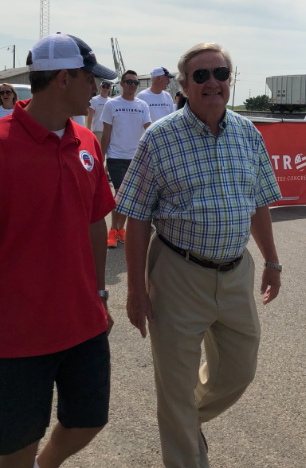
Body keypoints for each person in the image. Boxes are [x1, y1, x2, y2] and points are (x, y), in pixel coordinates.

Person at [0, 32, 117, 468]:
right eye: (90, 80)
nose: (96, 90)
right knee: (17, 445)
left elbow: (97, 222)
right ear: (63, 79)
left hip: (82, 321)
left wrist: (99, 293)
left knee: (89, 420)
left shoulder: (88, 143)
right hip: (15, 333)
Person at [116, 43, 282, 468]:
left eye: (220, 74)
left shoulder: (248, 133)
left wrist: (272, 261)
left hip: (235, 273)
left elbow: (259, 201)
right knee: (175, 386)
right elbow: (135, 218)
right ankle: (185, 443)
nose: (213, 83)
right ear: (185, 84)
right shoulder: (159, 137)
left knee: (239, 371)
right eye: (201, 76)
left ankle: (185, 422)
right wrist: (136, 290)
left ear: (231, 79)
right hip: (178, 273)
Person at [101, 70, 151, 248]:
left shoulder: (142, 105)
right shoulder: (111, 104)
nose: (133, 85)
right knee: (120, 195)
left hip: (135, 158)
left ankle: (121, 229)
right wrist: (101, 159)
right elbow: (106, 134)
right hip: (116, 156)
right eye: (129, 82)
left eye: (135, 83)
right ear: (121, 84)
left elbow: (149, 129)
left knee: (128, 196)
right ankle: (113, 231)